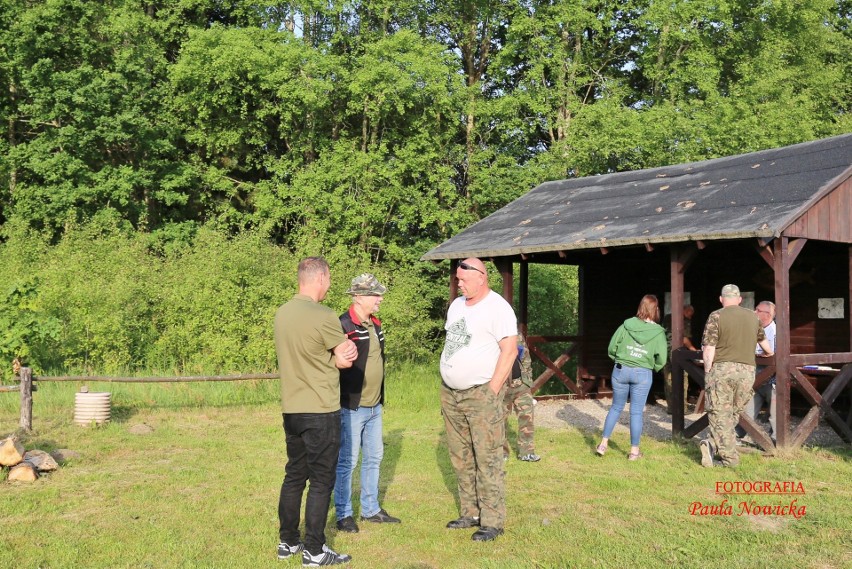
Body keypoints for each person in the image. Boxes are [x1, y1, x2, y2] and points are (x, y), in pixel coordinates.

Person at [274, 257, 358, 566]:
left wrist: (335, 355)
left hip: (291, 409)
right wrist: (342, 353)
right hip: (321, 409)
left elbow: (314, 355)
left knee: (294, 475)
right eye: (330, 279)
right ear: (320, 278)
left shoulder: (281, 314)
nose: (330, 285)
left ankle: (288, 542)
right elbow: (345, 357)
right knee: (322, 481)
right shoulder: (324, 316)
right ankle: (314, 549)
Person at [440, 258, 517, 542]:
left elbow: (509, 351)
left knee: (488, 457)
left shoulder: (498, 308)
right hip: (451, 394)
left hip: (481, 394)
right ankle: (470, 512)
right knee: (460, 456)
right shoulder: (458, 305)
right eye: (457, 279)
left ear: (482, 277)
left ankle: (492, 520)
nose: (458, 284)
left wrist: (492, 389)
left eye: (463, 280)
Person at [334, 273, 401, 534]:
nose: (380, 299)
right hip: (351, 406)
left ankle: (370, 509)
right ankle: (343, 514)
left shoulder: (375, 324)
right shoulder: (342, 325)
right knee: (348, 461)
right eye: (375, 295)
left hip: (375, 406)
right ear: (359, 298)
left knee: (374, 457)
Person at [699, 285, 774, 468]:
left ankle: (729, 459)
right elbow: (763, 341)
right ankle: (712, 445)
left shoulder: (716, 316)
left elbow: (709, 348)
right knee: (733, 413)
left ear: (721, 299)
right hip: (747, 372)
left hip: (722, 370)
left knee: (720, 413)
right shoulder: (752, 316)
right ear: (740, 299)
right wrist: (769, 353)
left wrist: (708, 371)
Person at [595, 295, 668, 461]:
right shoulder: (658, 332)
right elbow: (662, 359)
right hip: (642, 373)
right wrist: (651, 367)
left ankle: (603, 444)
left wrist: (621, 360)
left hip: (621, 370)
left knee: (615, 407)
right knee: (636, 412)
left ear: (641, 307)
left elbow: (612, 347)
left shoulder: (626, 325)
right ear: (656, 310)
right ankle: (634, 452)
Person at [736, 301, 777, 443]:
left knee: (775, 414)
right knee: (747, 409)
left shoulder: (776, 331)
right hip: (755, 376)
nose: (755, 312)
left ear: (768, 314)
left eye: (758, 310)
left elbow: (775, 356)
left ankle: (775, 443)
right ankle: (737, 435)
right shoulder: (753, 328)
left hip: (773, 379)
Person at [503, 331, 540, 462]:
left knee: (527, 418)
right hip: (502, 388)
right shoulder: (490, 335)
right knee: (500, 422)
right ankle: (501, 453)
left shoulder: (516, 334)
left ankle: (527, 453)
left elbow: (526, 356)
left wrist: (527, 380)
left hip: (521, 386)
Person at [662, 305, 698, 414]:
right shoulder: (683, 320)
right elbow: (684, 338)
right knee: (682, 380)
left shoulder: (667, 317)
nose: (690, 317)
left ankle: (671, 408)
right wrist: (692, 349)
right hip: (678, 353)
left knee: (668, 380)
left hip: (665, 352)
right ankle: (682, 409)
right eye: (690, 314)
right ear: (685, 311)